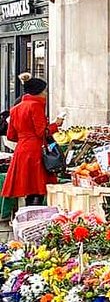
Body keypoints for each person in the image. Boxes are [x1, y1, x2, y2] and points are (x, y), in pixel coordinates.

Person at [2, 77, 61, 206]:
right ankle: (34, 215)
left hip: (21, 149)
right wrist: (55, 125)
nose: (45, 94)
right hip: (35, 150)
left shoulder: (15, 109)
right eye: (44, 91)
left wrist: (25, 137)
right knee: (37, 187)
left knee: (28, 187)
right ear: (38, 92)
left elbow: (11, 136)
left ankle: (26, 213)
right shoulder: (36, 105)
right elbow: (42, 132)